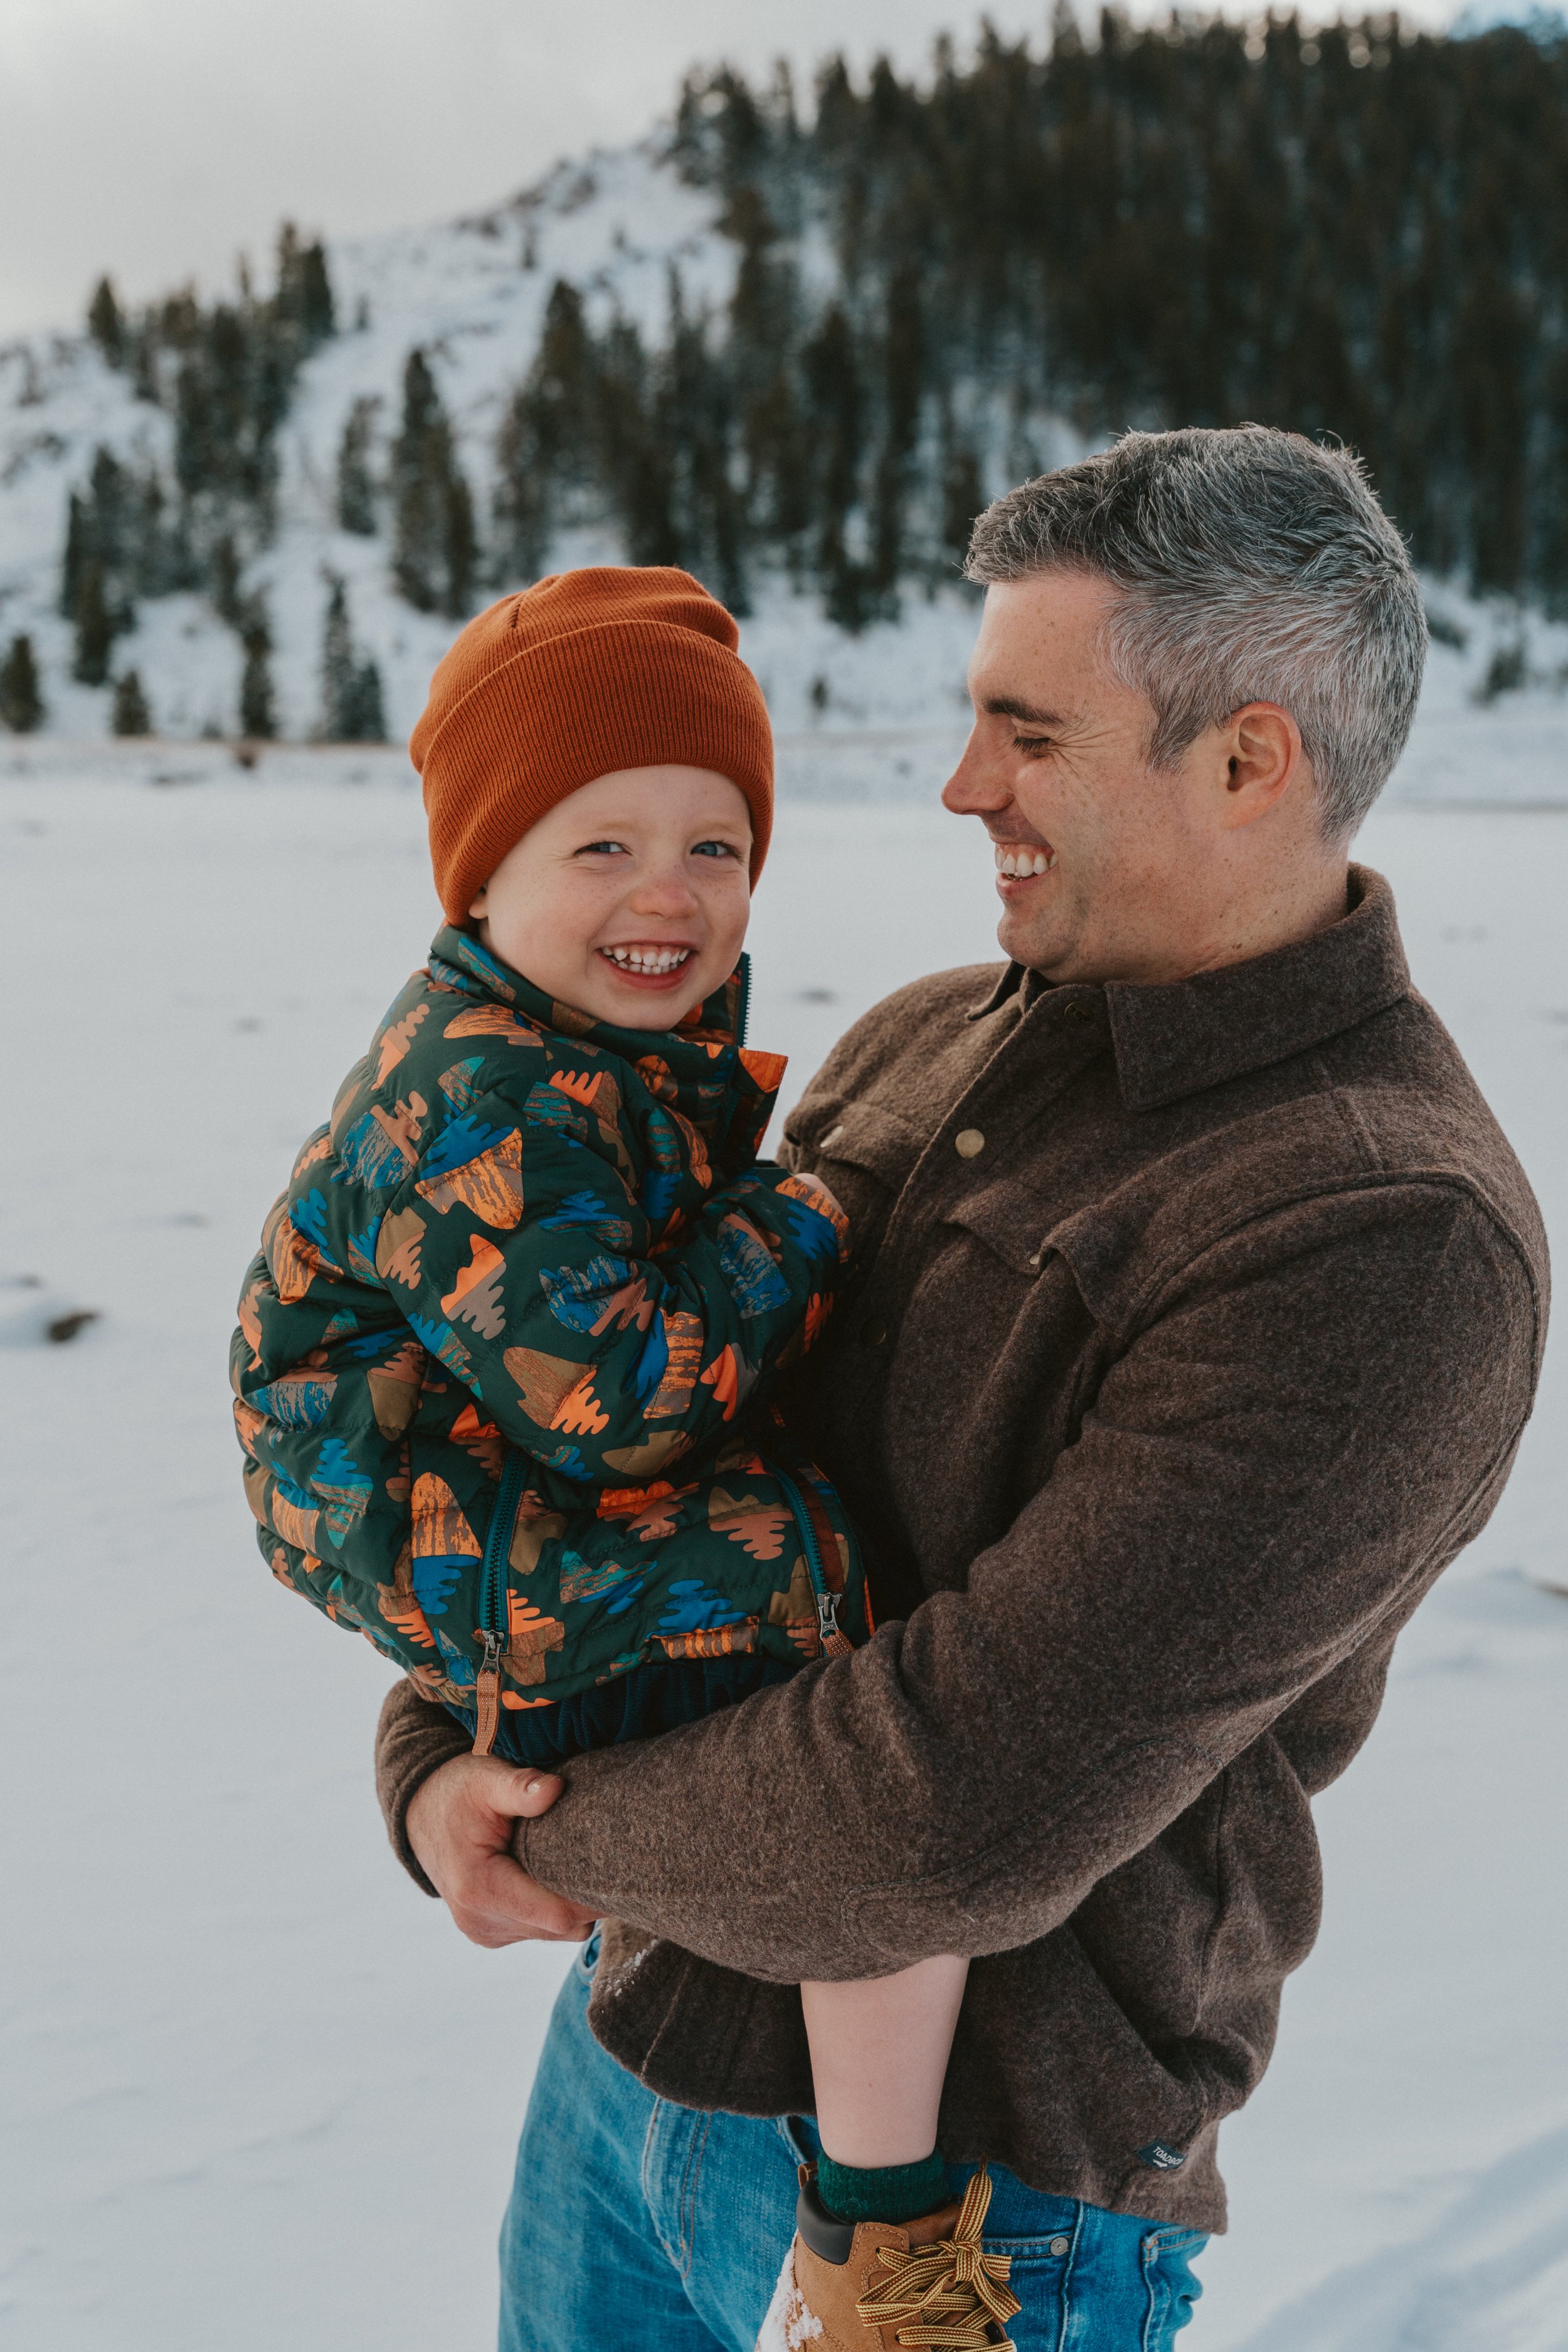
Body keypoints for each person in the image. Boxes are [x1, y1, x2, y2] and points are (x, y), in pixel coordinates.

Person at [379, 427, 1549, 2352]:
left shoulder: (1378, 1232)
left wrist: (536, 1830)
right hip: (638, 2058)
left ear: (1247, 760)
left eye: (1030, 733)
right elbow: (633, 1464)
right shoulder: (923, 1040)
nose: (958, 787)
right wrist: (435, 1753)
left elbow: (951, 1810)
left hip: (975, 2219)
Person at [231, 565, 996, 2333]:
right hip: (477, 1539)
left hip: (494, 1527)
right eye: (601, 847)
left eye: (715, 847)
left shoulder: (584, 1055)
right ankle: (886, 2237)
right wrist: (811, 1215)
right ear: (479, 876)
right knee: (863, 1729)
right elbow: (624, 1398)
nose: (670, 894)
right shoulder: (485, 1098)